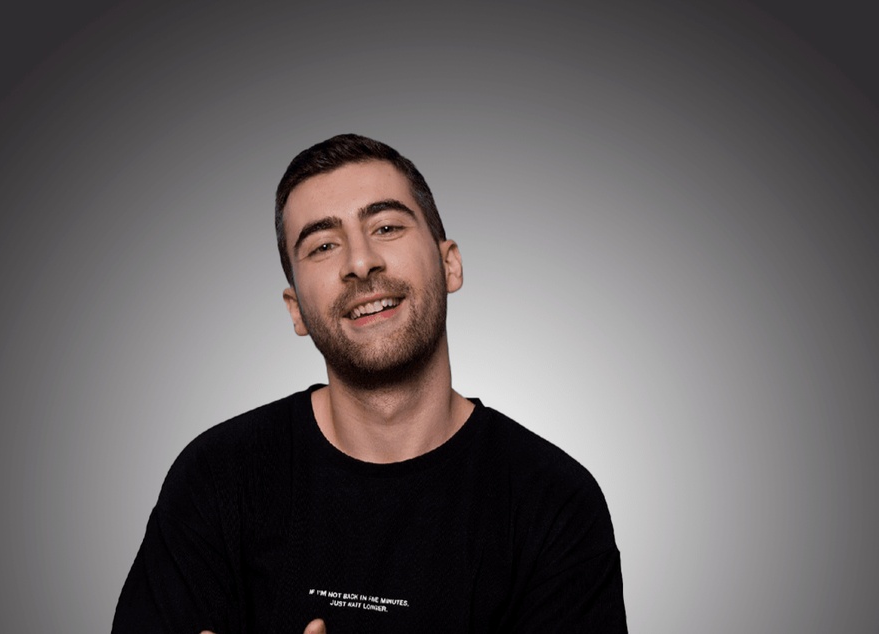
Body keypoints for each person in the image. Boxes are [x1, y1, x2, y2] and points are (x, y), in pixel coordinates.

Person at [112, 134, 627, 633]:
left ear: (449, 264)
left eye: (386, 227)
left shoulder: (554, 503)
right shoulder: (216, 479)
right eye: (323, 245)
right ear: (296, 310)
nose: (360, 263)